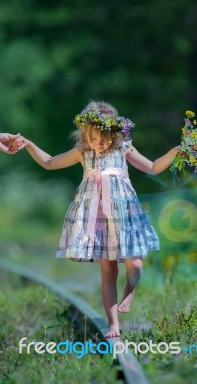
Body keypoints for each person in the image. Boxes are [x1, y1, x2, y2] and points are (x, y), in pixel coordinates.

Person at [17, 100, 181, 338]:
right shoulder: (83, 152)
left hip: (124, 216)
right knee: (108, 272)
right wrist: (29, 144)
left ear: (114, 133)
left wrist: (174, 153)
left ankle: (131, 288)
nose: (100, 144)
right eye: (94, 139)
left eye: (104, 139)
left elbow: (153, 168)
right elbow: (49, 162)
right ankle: (113, 323)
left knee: (134, 264)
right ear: (85, 135)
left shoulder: (123, 148)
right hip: (97, 218)